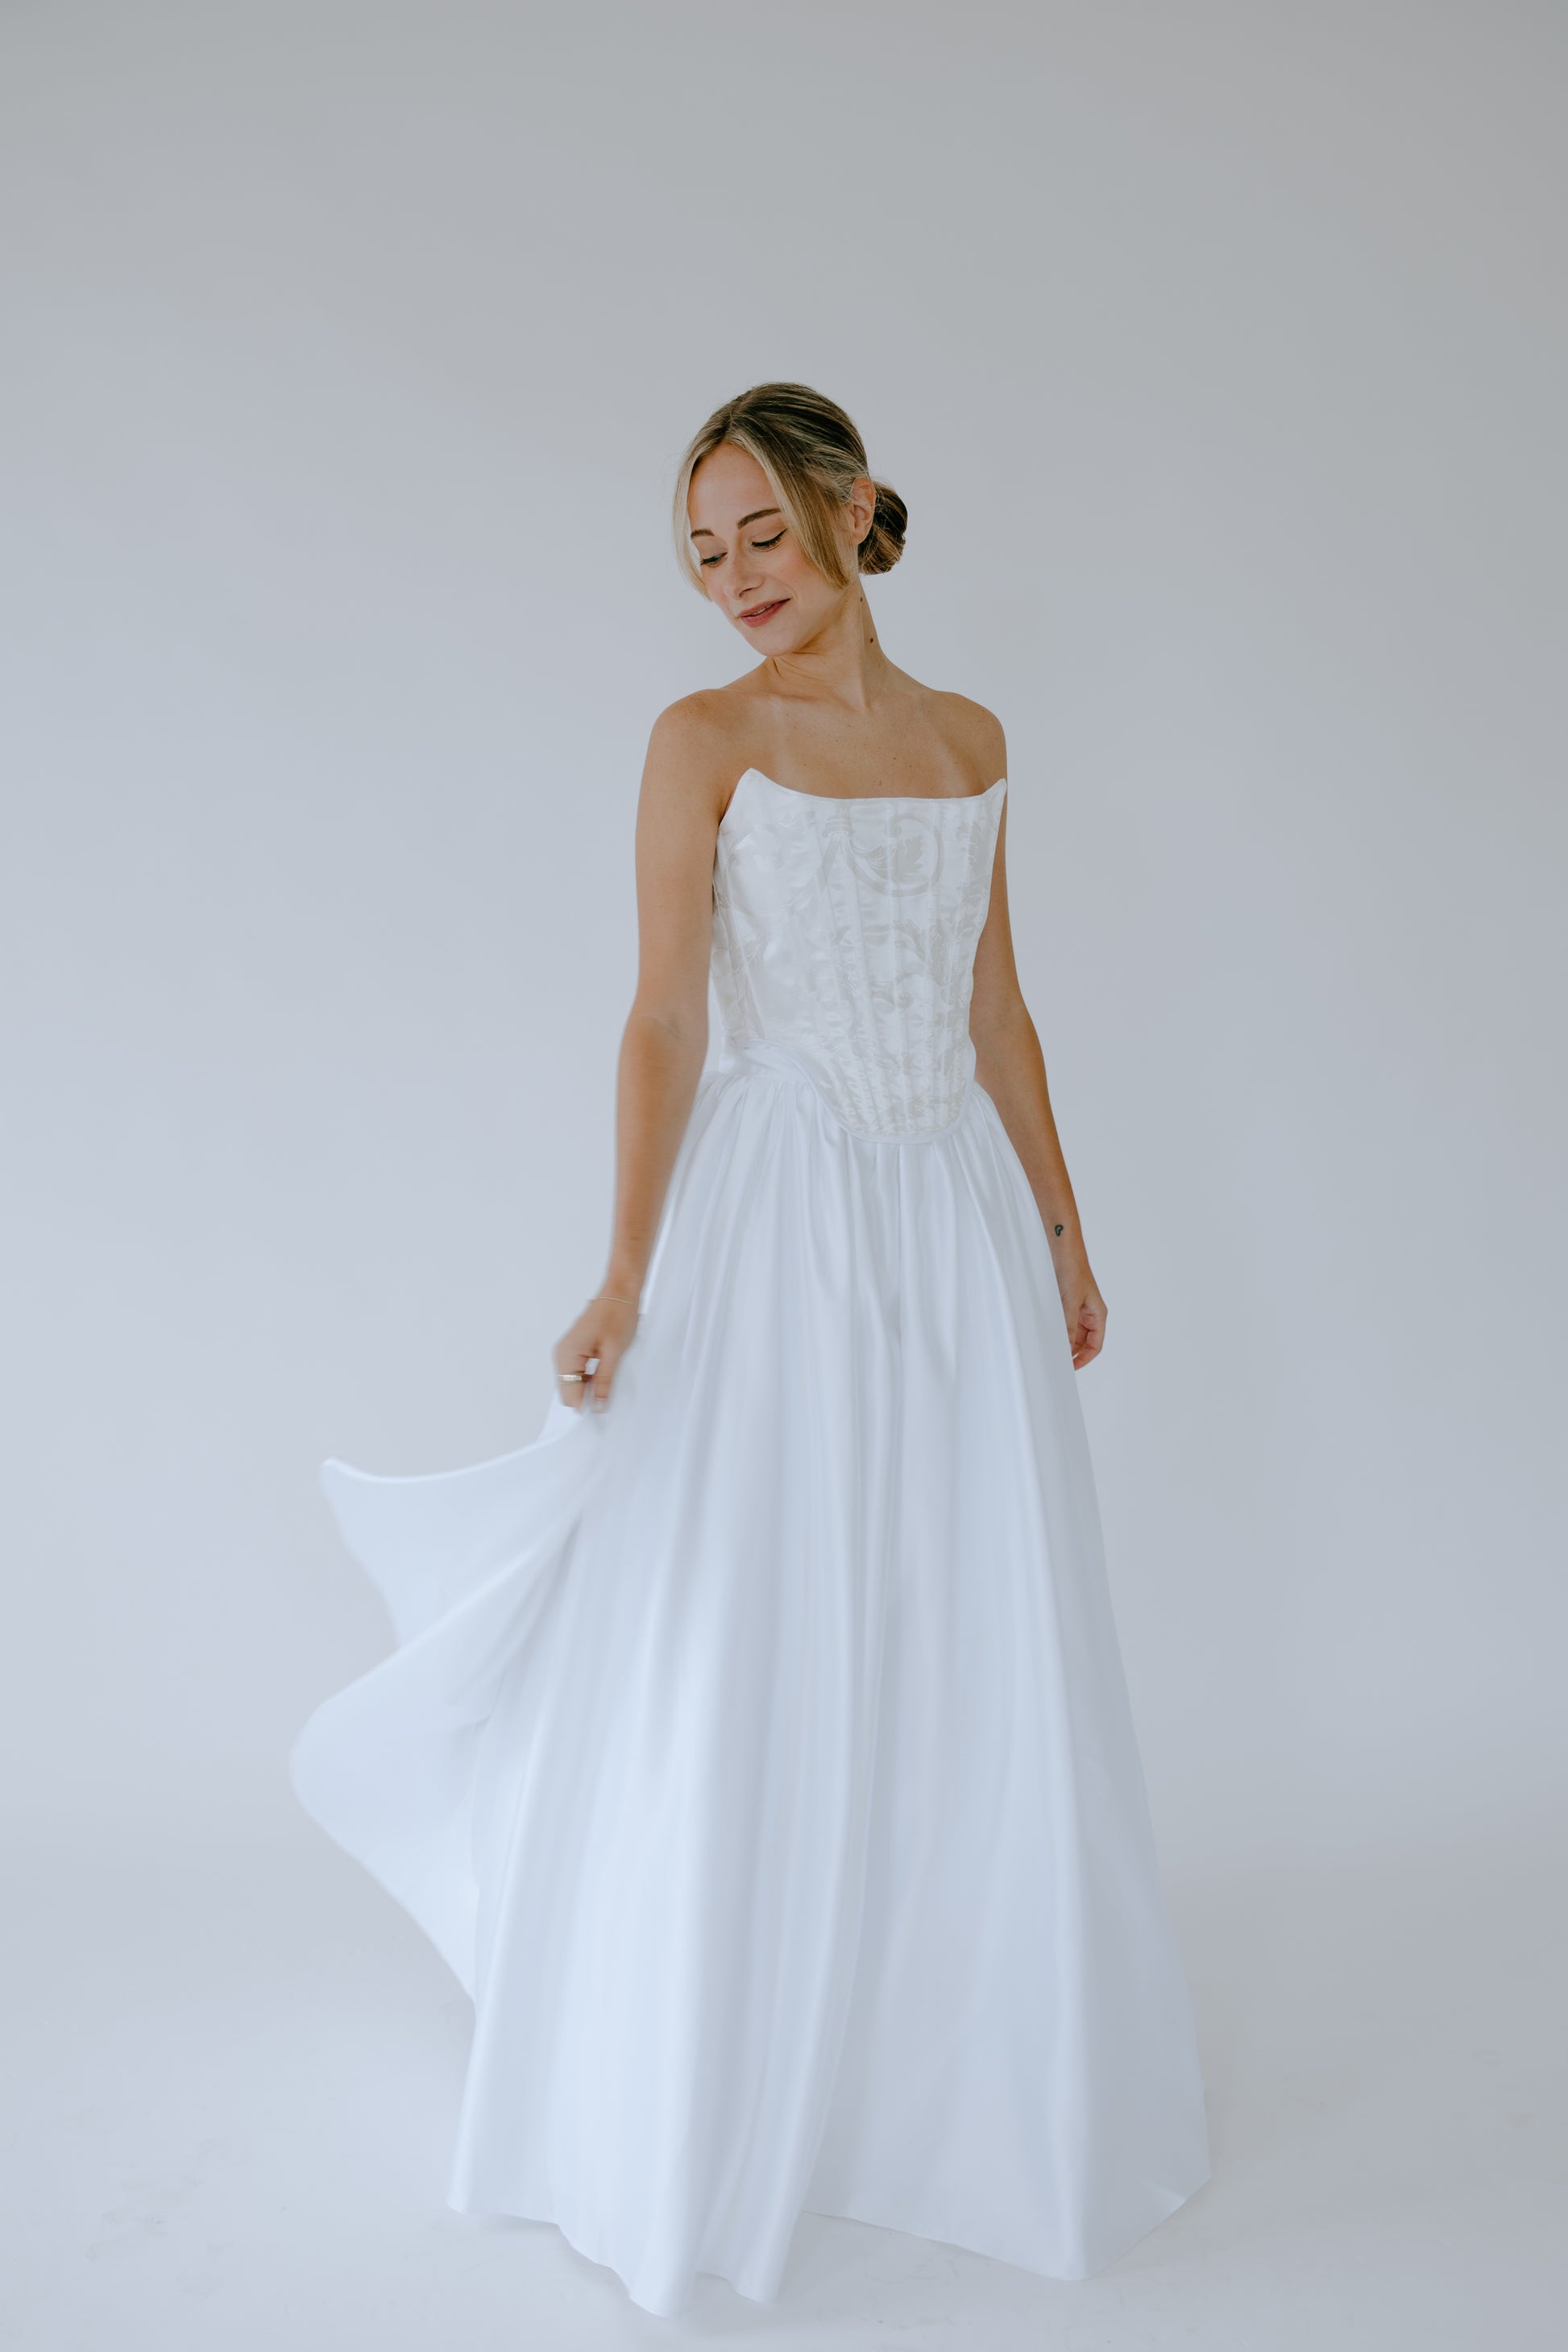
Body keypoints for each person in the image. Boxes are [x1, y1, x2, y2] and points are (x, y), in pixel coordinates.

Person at [292, 381, 1211, 2320]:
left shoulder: (968, 739)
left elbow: (998, 1002)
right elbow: (658, 1017)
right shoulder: (699, 739)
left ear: (851, 507)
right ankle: (712, 2054)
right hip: (779, 1211)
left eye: (759, 539)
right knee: (756, 1608)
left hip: (948, 1213)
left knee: (962, 1603)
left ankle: (934, 2064)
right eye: (701, 553)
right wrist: (626, 1269)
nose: (730, 583)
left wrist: (1059, 1222)